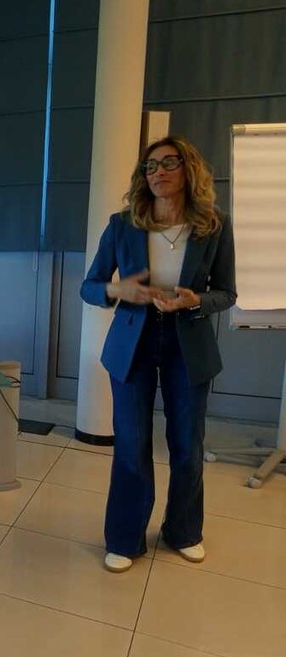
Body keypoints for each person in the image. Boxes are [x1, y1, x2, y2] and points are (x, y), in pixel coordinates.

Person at [81, 135, 236, 573]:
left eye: (169, 163)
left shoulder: (214, 226)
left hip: (189, 344)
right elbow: (89, 286)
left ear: (189, 169)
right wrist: (119, 290)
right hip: (134, 342)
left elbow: (227, 293)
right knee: (131, 444)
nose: (158, 172)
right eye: (150, 166)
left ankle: (183, 530)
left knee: (187, 444)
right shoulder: (123, 224)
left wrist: (196, 300)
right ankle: (124, 537)